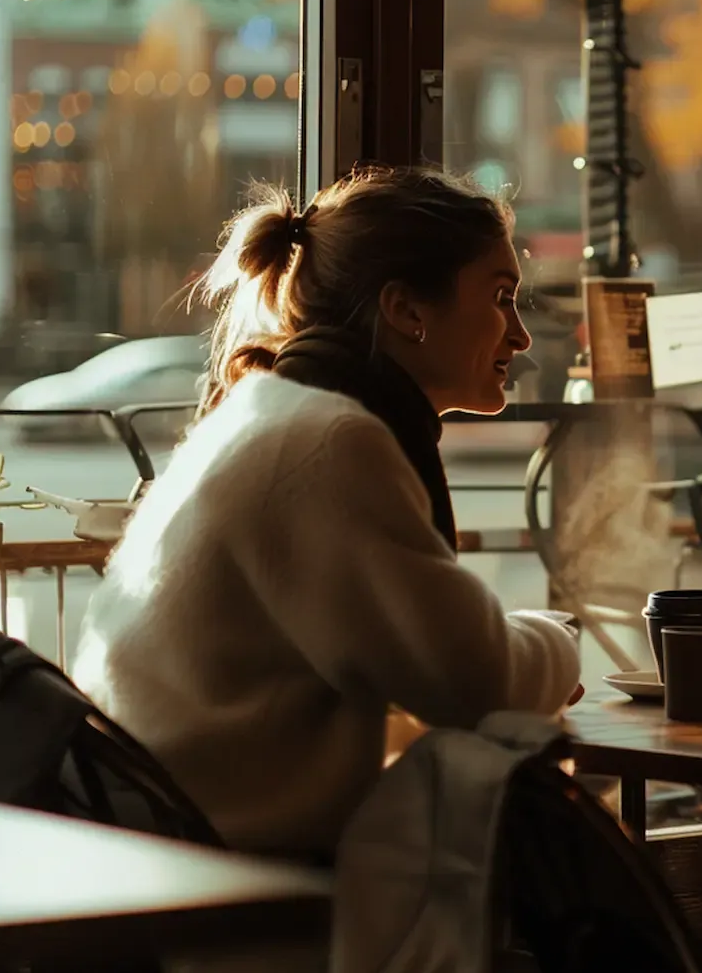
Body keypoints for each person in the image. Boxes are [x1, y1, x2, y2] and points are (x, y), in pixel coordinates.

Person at [71, 167, 582, 862]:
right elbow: (475, 682)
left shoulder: (270, 410)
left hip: (164, 843)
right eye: (500, 298)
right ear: (406, 310)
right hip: (224, 876)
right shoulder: (330, 442)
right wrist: (560, 638)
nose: (520, 337)